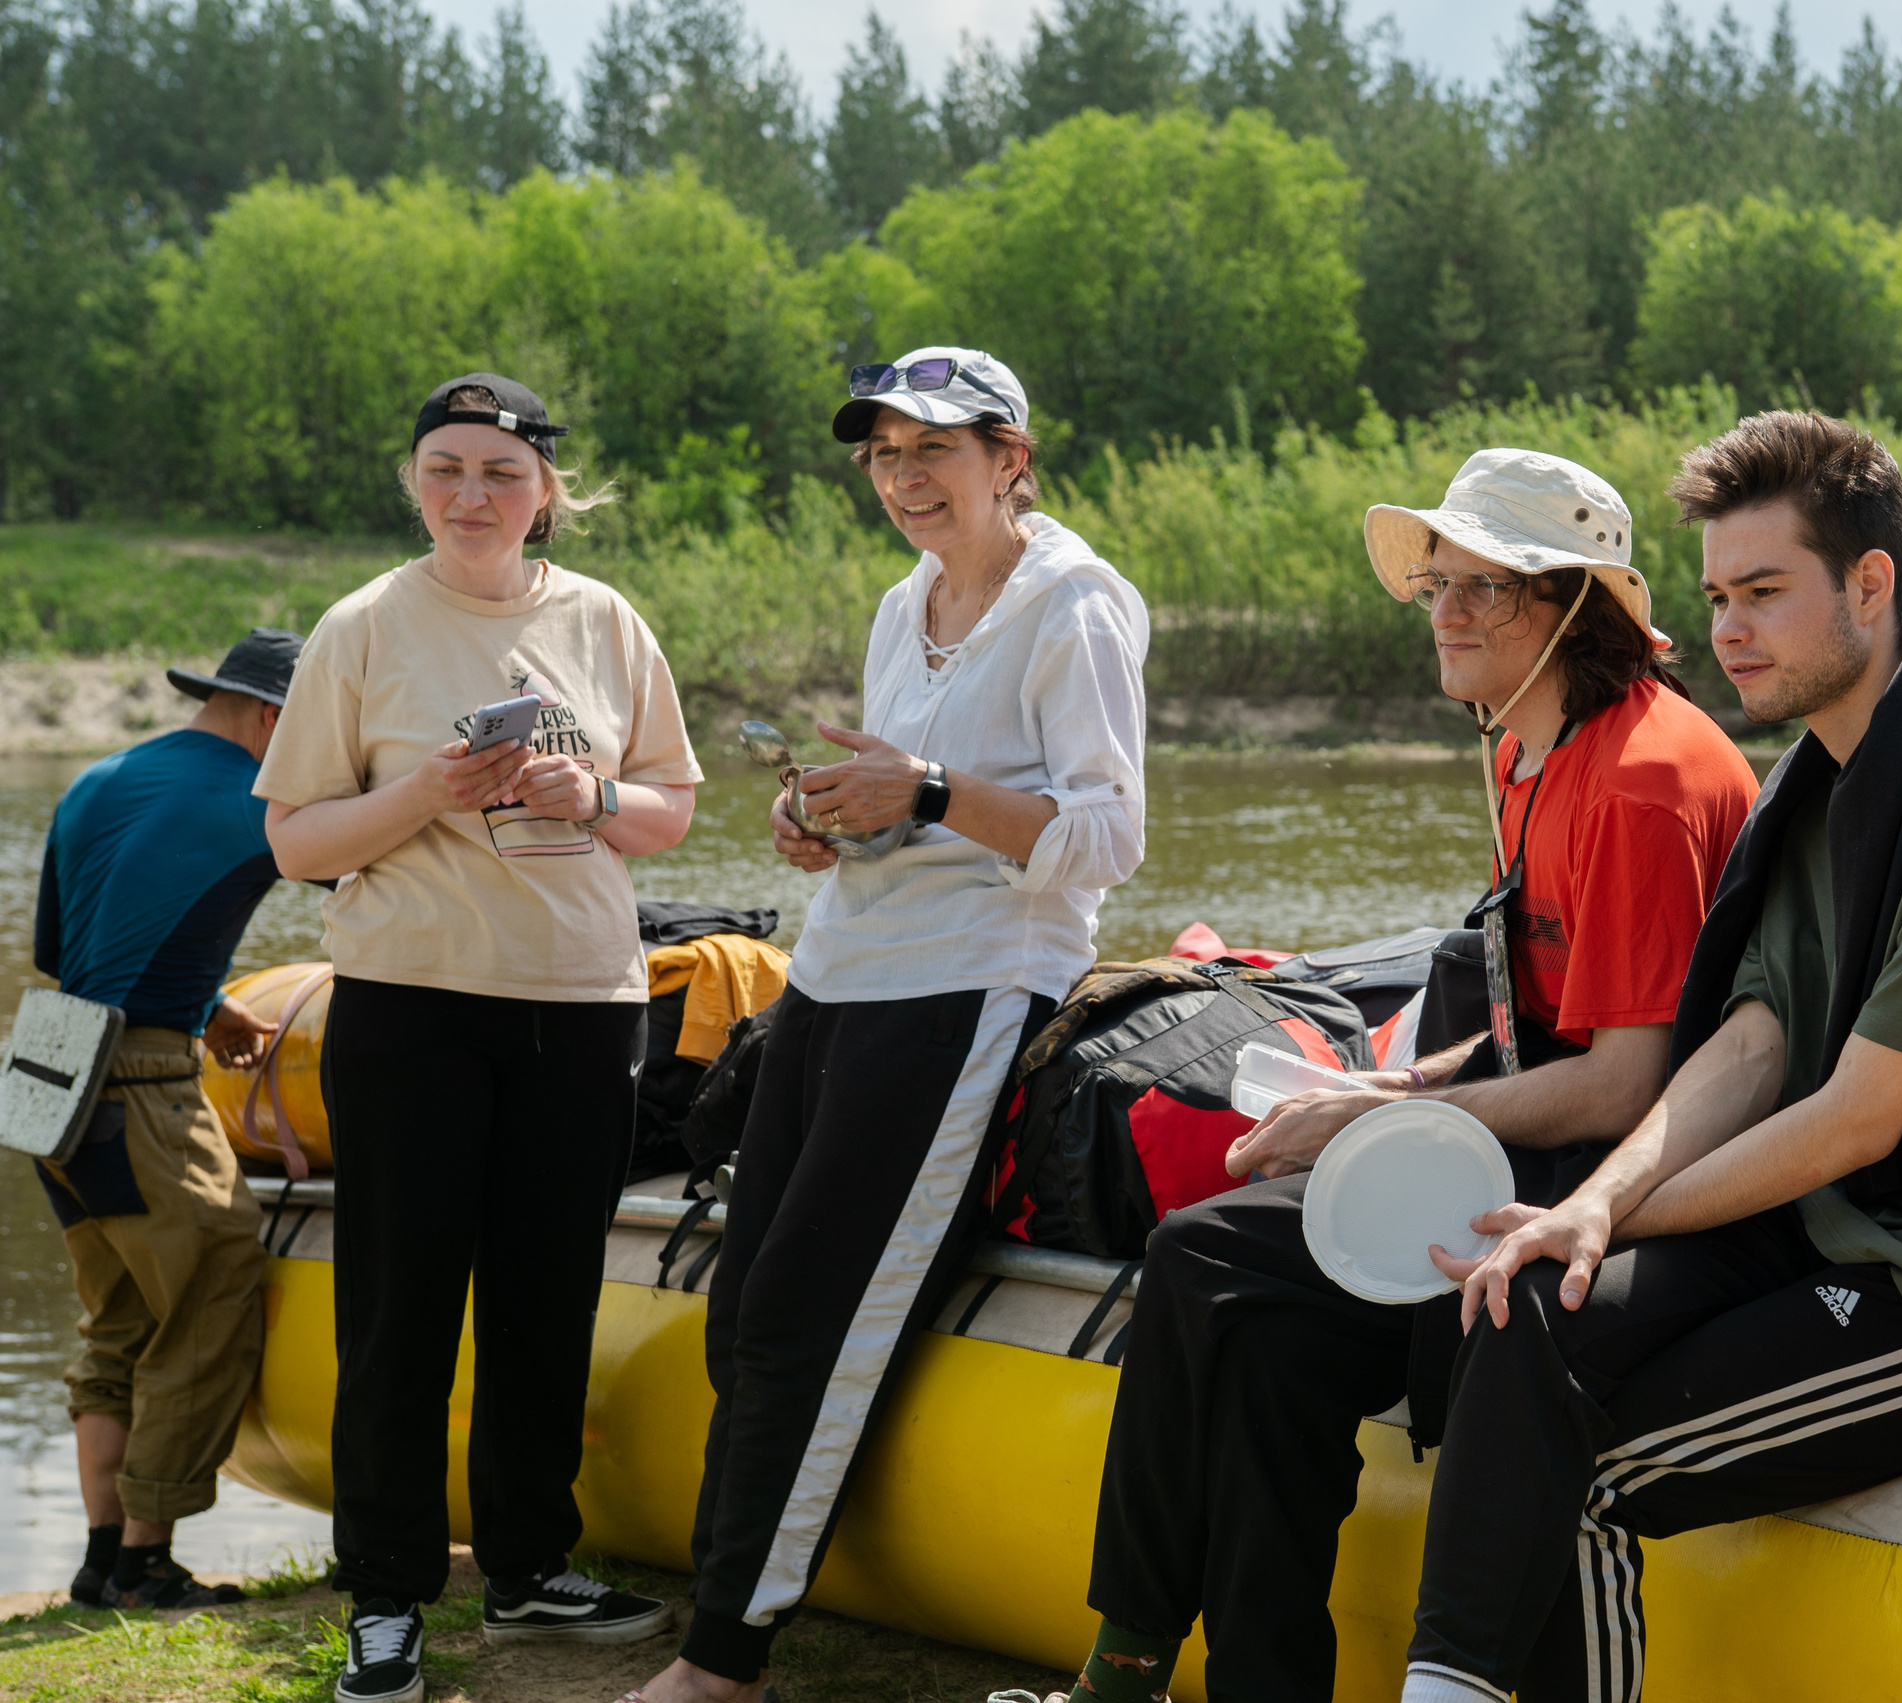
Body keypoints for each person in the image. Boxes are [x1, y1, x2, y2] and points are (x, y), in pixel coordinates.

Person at [1367, 410, 1902, 1703]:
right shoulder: (1828, 776)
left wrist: (1607, 1207)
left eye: (1764, 592)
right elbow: (1750, 1044)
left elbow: (1857, 1115)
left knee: (1584, 1456)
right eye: (1715, 597)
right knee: (1532, 1296)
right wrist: (1587, 1209)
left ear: (1872, 583)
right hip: (1864, 1225)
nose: (1729, 630)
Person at [1026, 447, 1760, 1703]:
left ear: (1577, 608)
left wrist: (1382, 1111)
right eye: (1439, 584)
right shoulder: (1534, 749)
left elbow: (1629, 1079)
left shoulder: (1641, 778)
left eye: (1491, 587)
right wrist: (1393, 1078)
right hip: (1533, 1138)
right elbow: (1542, 1024)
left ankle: (1125, 1664)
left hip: (1608, 1184)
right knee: (1265, 1354)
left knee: (1204, 1257)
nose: (1450, 613)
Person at [632, 348, 1149, 1703]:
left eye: (936, 449)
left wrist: (920, 791)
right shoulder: (898, 598)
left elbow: (1108, 838)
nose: (905, 477)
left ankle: (722, 1659)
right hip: (841, 968)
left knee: (811, 1307)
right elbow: (903, 796)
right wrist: (825, 818)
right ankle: (722, 1602)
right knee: (743, 1300)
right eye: (882, 453)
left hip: (973, 984)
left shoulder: (1074, 601)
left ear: (1010, 458)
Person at [256, 374, 703, 1703]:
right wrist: (420, 794)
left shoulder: (606, 619)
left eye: (502, 473)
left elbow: (671, 805)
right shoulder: (366, 625)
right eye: (446, 468)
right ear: (415, 482)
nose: (472, 495)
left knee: (546, 1298)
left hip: (584, 1001)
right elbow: (291, 842)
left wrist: (595, 789)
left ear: (547, 492)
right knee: (398, 1306)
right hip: (411, 1003)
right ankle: (387, 1593)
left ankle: (524, 1561)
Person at [31, 628, 303, 1611]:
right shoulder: (260, 801)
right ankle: (149, 1558)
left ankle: (102, 1557)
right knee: (215, 1283)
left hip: (45, 1062)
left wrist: (211, 1000)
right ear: (275, 717)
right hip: (137, 1080)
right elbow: (365, 880)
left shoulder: (101, 778)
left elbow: (70, 950)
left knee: (122, 1314)